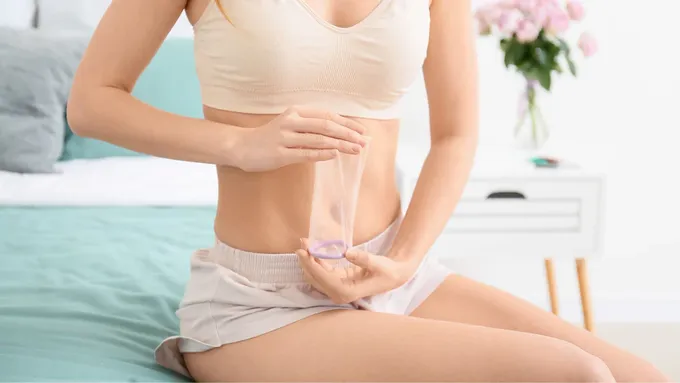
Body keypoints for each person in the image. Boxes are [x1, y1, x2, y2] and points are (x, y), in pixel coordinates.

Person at [68, 0, 669, 381]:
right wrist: (236, 144)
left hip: (394, 275)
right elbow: (92, 102)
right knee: (576, 376)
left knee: (641, 377)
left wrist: (401, 260)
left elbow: (456, 135)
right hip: (262, 302)